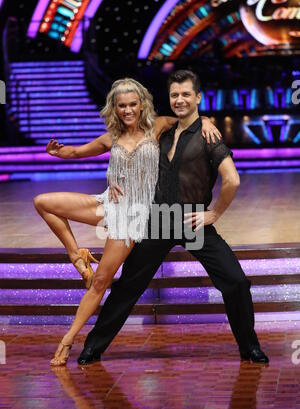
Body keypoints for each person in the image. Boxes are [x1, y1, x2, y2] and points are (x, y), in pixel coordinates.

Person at [78, 70, 269, 366]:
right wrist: (116, 177)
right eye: (174, 95)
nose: (179, 100)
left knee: (237, 283)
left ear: (198, 98)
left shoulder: (209, 136)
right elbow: (127, 148)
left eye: (186, 95)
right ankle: (93, 347)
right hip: (157, 221)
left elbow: (232, 179)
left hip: (191, 223)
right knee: (128, 286)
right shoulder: (162, 131)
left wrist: (214, 212)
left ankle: (249, 347)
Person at [34, 77, 220, 366]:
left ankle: (68, 339)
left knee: (100, 284)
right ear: (115, 108)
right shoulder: (111, 137)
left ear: (142, 104)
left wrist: (207, 120)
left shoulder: (157, 126)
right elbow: (76, 152)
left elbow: (189, 119)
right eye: (122, 105)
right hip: (108, 203)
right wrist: (57, 151)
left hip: (133, 219)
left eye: (133, 104)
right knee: (43, 202)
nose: (128, 109)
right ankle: (77, 256)